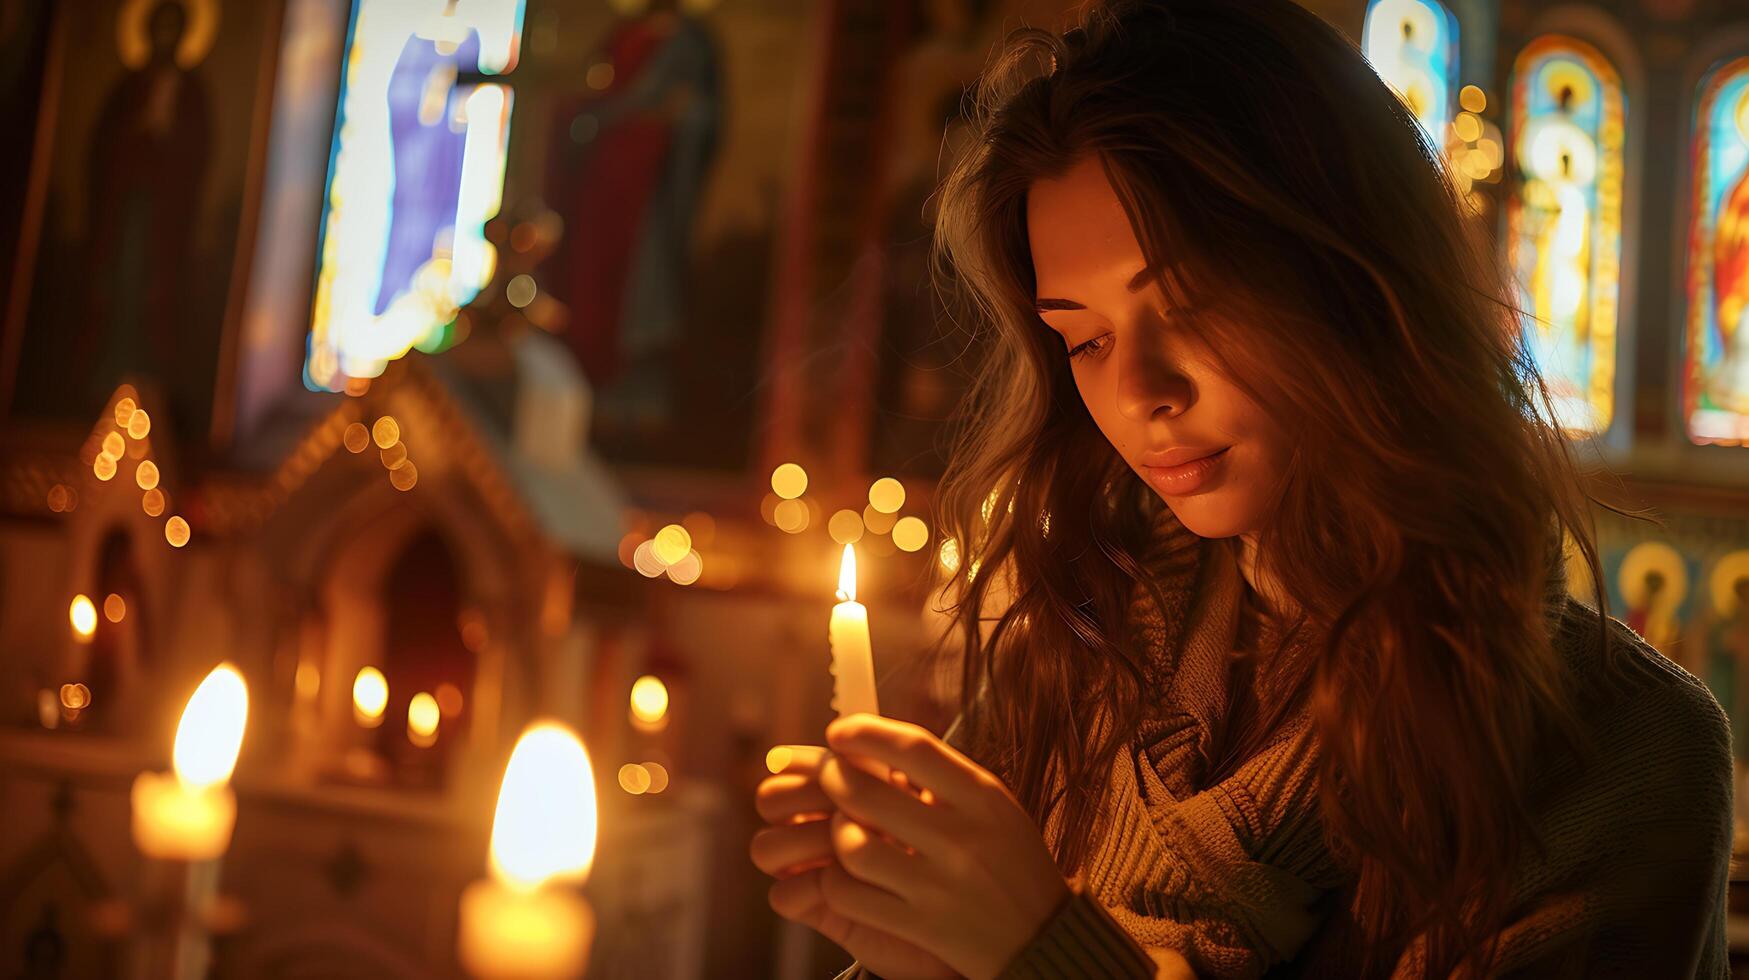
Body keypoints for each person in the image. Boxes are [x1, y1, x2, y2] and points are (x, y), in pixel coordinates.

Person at [750, 1, 1732, 977]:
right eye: (1084, 339)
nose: (1139, 394)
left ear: (1355, 281)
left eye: (1193, 304)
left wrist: (1039, 952)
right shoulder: (1079, 646)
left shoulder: (1618, 750)